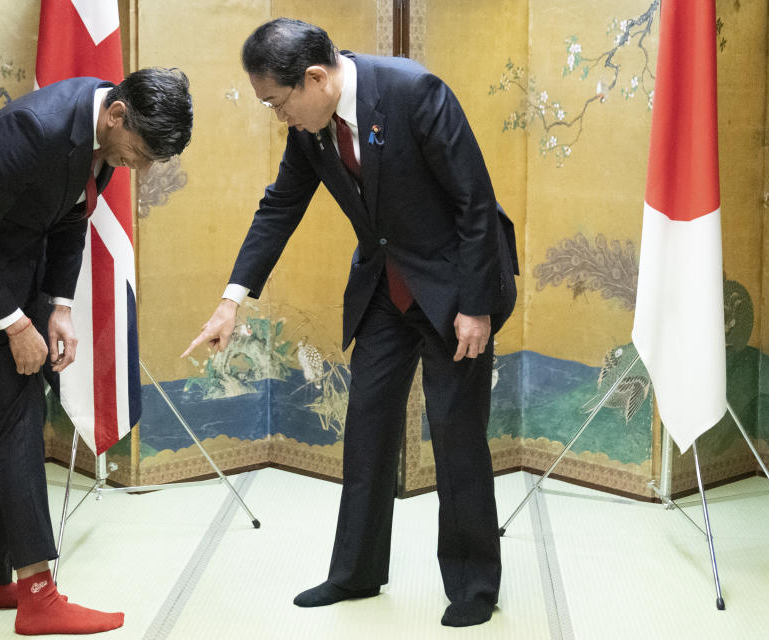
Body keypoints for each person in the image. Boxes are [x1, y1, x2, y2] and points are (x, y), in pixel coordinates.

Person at [182, 19, 517, 628]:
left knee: (455, 433)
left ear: (315, 78)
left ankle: (473, 585)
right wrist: (232, 300)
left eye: (278, 104)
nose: (278, 117)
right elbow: (280, 204)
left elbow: (475, 200)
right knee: (364, 425)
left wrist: (476, 306)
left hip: (453, 287)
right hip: (384, 287)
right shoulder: (313, 127)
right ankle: (356, 573)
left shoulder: (416, 92)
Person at [0, 68, 192, 635]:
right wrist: (16, 325)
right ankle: (37, 595)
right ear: (117, 116)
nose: (141, 168)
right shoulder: (29, 129)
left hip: (14, 271)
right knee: (19, 414)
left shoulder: (106, 133)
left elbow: (70, 221)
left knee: (11, 415)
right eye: (139, 152)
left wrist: (58, 306)